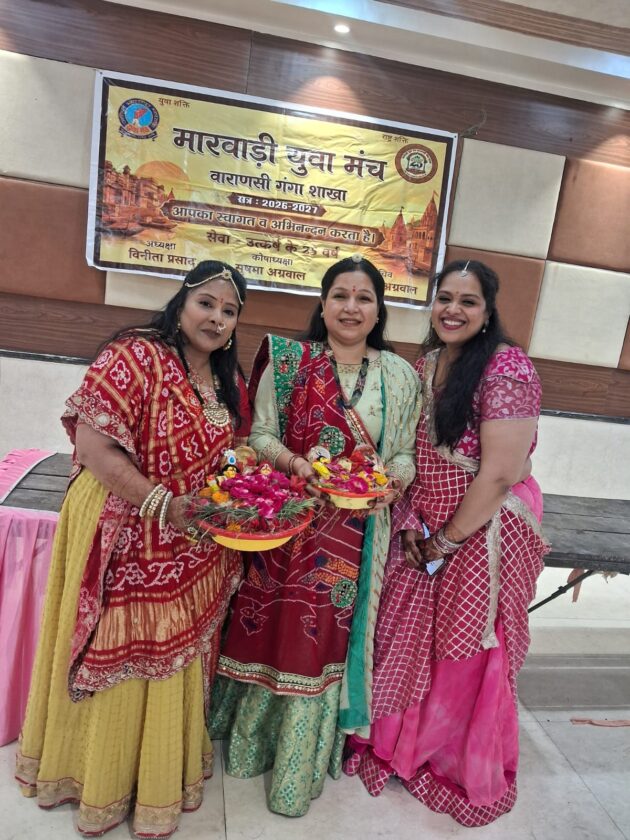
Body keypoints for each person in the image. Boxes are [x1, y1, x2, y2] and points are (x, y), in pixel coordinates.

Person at [16, 261, 250, 838]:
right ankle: (96, 778)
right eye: (206, 303)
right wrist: (160, 504)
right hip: (120, 522)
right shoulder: (135, 356)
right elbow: (93, 447)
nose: (216, 319)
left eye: (229, 311)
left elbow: (229, 450)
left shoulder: (224, 378)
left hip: (189, 537)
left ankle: (155, 776)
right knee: (118, 650)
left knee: (172, 656)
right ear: (181, 304)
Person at [211, 255, 421, 816]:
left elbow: (403, 452)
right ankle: (247, 746)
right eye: (340, 296)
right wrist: (297, 463)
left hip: (352, 534)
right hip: (286, 522)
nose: (351, 307)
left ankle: (298, 764)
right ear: (322, 305)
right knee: (266, 626)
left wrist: (392, 482)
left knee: (319, 641)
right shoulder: (290, 362)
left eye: (364, 297)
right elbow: (260, 435)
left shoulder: (400, 376)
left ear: (379, 310)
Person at [345, 259, 549, 826]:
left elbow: (500, 474)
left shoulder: (507, 368)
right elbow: (412, 453)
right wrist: (414, 520)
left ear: (488, 311)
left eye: (468, 301)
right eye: (445, 299)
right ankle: (400, 745)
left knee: (462, 653)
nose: (453, 310)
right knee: (406, 632)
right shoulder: (427, 363)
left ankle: (444, 756)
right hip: (427, 522)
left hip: (486, 528)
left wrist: (445, 542)